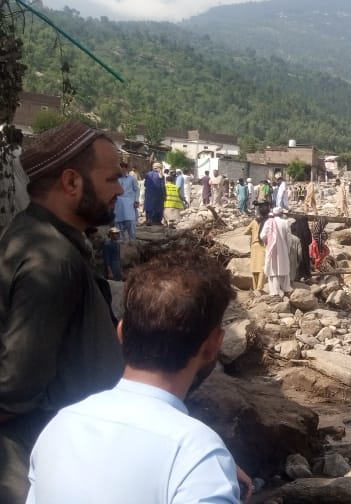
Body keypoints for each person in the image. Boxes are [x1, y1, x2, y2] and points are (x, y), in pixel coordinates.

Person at [27, 251, 247, 504]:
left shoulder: (59, 427)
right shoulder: (197, 454)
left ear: (121, 332)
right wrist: (212, 469)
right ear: (213, 346)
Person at [0, 122, 125, 501]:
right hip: (38, 460)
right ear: (71, 182)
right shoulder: (51, 261)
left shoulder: (43, 236)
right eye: (112, 179)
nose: (121, 190)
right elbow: (16, 388)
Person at [261, 207, 294, 296]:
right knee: (284, 268)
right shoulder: (285, 222)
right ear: (281, 214)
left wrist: (268, 242)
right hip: (283, 250)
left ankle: (274, 291)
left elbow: (262, 236)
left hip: (271, 250)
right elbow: (289, 239)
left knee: (273, 270)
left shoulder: (268, 222)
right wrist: (287, 248)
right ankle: (286, 288)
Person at [247, 204, 270, 293]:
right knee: (261, 267)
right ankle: (259, 288)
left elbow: (246, 231)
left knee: (254, 267)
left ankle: (255, 287)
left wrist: (253, 233)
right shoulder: (267, 222)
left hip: (254, 246)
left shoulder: (254, 222)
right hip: (262, 246)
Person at [114, 165, 139, 242]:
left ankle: (132, 239)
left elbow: (137, 190)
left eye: (123, 170)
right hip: (118, 203)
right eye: (120, 170)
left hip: (129, 203)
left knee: (130, 221)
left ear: (127, 169)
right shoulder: (115, 179)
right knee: (118, 221)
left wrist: (136, 201)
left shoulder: (132, 179)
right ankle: (121, 239)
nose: (122, 171)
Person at [290, 215, 313, 282]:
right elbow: (309, 240)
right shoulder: (306, 227)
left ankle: (296, 277)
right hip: (304, 249)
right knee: (304, 261)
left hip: (295, 248)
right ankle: (305, 276)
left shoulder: (294, 227)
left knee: (296, 261)